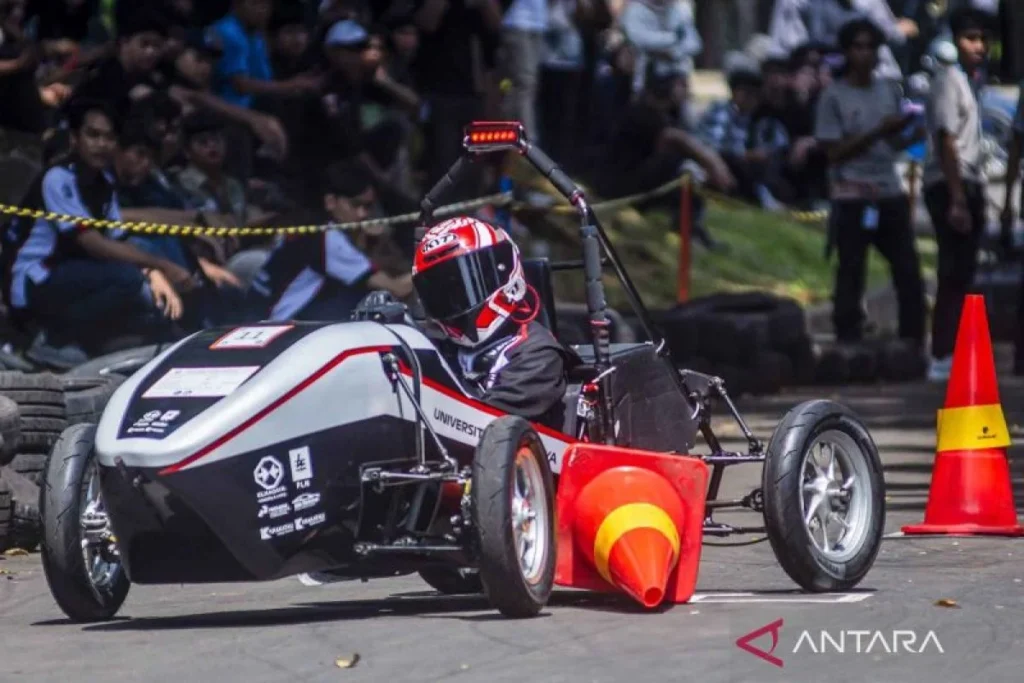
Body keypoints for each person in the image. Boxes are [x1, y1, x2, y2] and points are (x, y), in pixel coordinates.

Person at [0, 98, 193, 364]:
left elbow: (121, 241)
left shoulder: (105, 184)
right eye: (93, 135)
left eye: (109, 137)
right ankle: (52, 339)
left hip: (75, 275)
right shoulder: (58, 178)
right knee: (127, 278)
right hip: (34, 279)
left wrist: (154, 272)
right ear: (75, 139)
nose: (101, 144)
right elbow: (94, 244)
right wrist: (161, 266)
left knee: (149, 284)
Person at [813, 18, 927, 350]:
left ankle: (913, 339)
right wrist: (878, 130)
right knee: (851, 269)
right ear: (847, 52)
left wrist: (910, 134)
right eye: (857, 47)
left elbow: (892, 144)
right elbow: (833, 153)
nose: (864, 54)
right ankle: (847, 342)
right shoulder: (833, 96)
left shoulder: (888, 90)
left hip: (889, 191)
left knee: (908, 268)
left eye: (870, 47)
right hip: (851, 193)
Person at [409, 216, 571, 427]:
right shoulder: (441, 351)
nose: (455, 298)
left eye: (464, 286)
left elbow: (482, 422)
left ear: (504, 271)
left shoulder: (540, 355)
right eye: (444, 292)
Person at [246, 159, 413, 322]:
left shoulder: (307, 223)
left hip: (257, 316)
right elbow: (396, 289)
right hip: (278, 324)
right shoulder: (329, 239)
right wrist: (426, 264)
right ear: (330, 202)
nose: (362, 214)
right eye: (355, 205)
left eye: (367, 207)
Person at [921, 7, 992, 382]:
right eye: (970, 38)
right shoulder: (948, 80)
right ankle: (942, 353)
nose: (978, 46)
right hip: (952, 183)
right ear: (954, 41)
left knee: (964, 273)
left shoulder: (970, 82)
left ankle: (956, 349)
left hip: (969, 182)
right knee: (952, 271)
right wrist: (957, 198)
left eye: (982, 39)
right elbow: (946, 140)